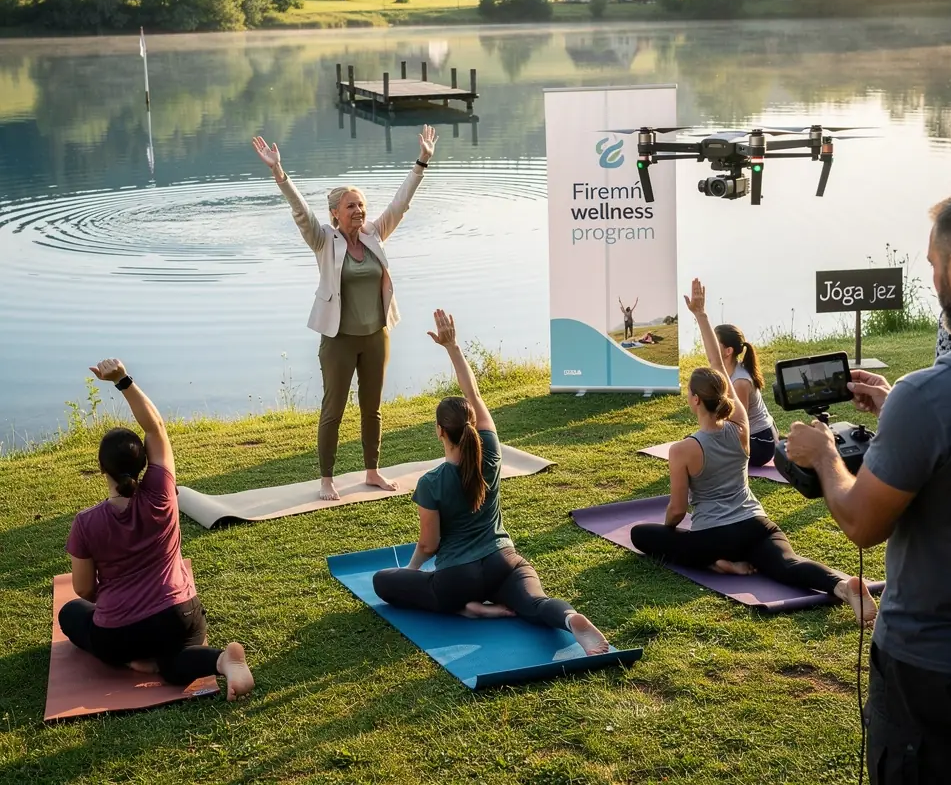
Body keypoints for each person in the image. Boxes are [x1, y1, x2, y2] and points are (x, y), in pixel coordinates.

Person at [785, 188, 951, 785]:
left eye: (931, 265)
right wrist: (900, 415)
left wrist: (821, 458)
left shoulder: (932, 396)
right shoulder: (923, 403)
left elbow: (863, 521)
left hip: (931, 672)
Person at [629, 279, 876, 624]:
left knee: (641, 534)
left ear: (695, 400)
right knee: (788, 564)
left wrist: (671, 530)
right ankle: (842, 586)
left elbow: (677, 509)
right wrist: (701, 315)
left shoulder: (682, 450)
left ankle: (718, 563)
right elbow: (718, 366)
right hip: (756, 524)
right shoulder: (742, 427)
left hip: (712, 537)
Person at [372, 309, 610, 655]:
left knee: (383, 581)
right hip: (504, 561)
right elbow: (476, 395)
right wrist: (453, 347)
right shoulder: (492, 453)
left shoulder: (432, 482)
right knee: (536, 603)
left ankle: (465, 608)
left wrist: (410, 573)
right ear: (472, 426)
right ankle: (571, 619)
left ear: (439, 431)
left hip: (457, 579)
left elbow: (429, 545)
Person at [253, 126, 437, 499]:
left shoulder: (374, 235)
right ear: (335, 213)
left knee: (373, 409)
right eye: (351, 206)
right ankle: (326, 478)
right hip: (338, 340)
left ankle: (372, 471)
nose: (359, 210)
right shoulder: (324, 240)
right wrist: (280, 174)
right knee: (333, 409)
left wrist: (422, 162)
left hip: (376, 337)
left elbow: (400, 203)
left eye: (361, 205)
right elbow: (300, 212)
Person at [59, 359, 254, 701]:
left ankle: (138, 661)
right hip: (180, 618)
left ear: (101, 468)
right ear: (143, 463)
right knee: (175, 658)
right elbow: (156, 428)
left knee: (71, 614)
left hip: (120, 633)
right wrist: (122, 380)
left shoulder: (86, 523)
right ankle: (222, 661)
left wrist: (118, 605)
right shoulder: (162, 492)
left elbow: (84, 589)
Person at [713, 324, 779, 467]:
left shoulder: (740, 382)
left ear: (728, 351)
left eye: (714, 341)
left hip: (760, 442)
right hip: (749, 436)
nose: (709, 345)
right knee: (698, 443)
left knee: (704, 448)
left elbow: (737, 424)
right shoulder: (726, 371)